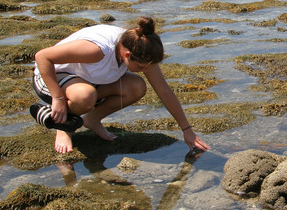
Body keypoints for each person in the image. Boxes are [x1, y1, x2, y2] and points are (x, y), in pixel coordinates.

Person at [30, 16, 210, 154]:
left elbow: (164, 91)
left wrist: (187, 130)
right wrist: (58, 98)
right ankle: (63, 126)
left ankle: (91, 119)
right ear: (127, 55)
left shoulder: (141, 45)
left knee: (137, 86)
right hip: (52, 77)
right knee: (85, 96)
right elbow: (42, 57)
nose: (143, 70)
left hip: (90, 80)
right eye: (140, 67)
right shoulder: (97, 50)